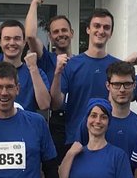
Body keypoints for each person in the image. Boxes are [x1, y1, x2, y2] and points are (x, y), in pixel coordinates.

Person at [50, 9, 121, 144]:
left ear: (111, 33)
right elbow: (56, 103)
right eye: (97, 26)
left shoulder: (117, 66)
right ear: (88, 29)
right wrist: (57, 73)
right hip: (77, 139)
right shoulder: (72, 64)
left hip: (109, 138)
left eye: (106, 27)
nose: (101, 31)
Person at [0, 20, 51, 110]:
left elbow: (44, 105)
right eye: (7, 38)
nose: (12, 43)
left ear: (24, 42)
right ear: (0, 42)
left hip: (27, 123)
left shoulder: (36, 72)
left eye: (17, 38)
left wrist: (33, 68)